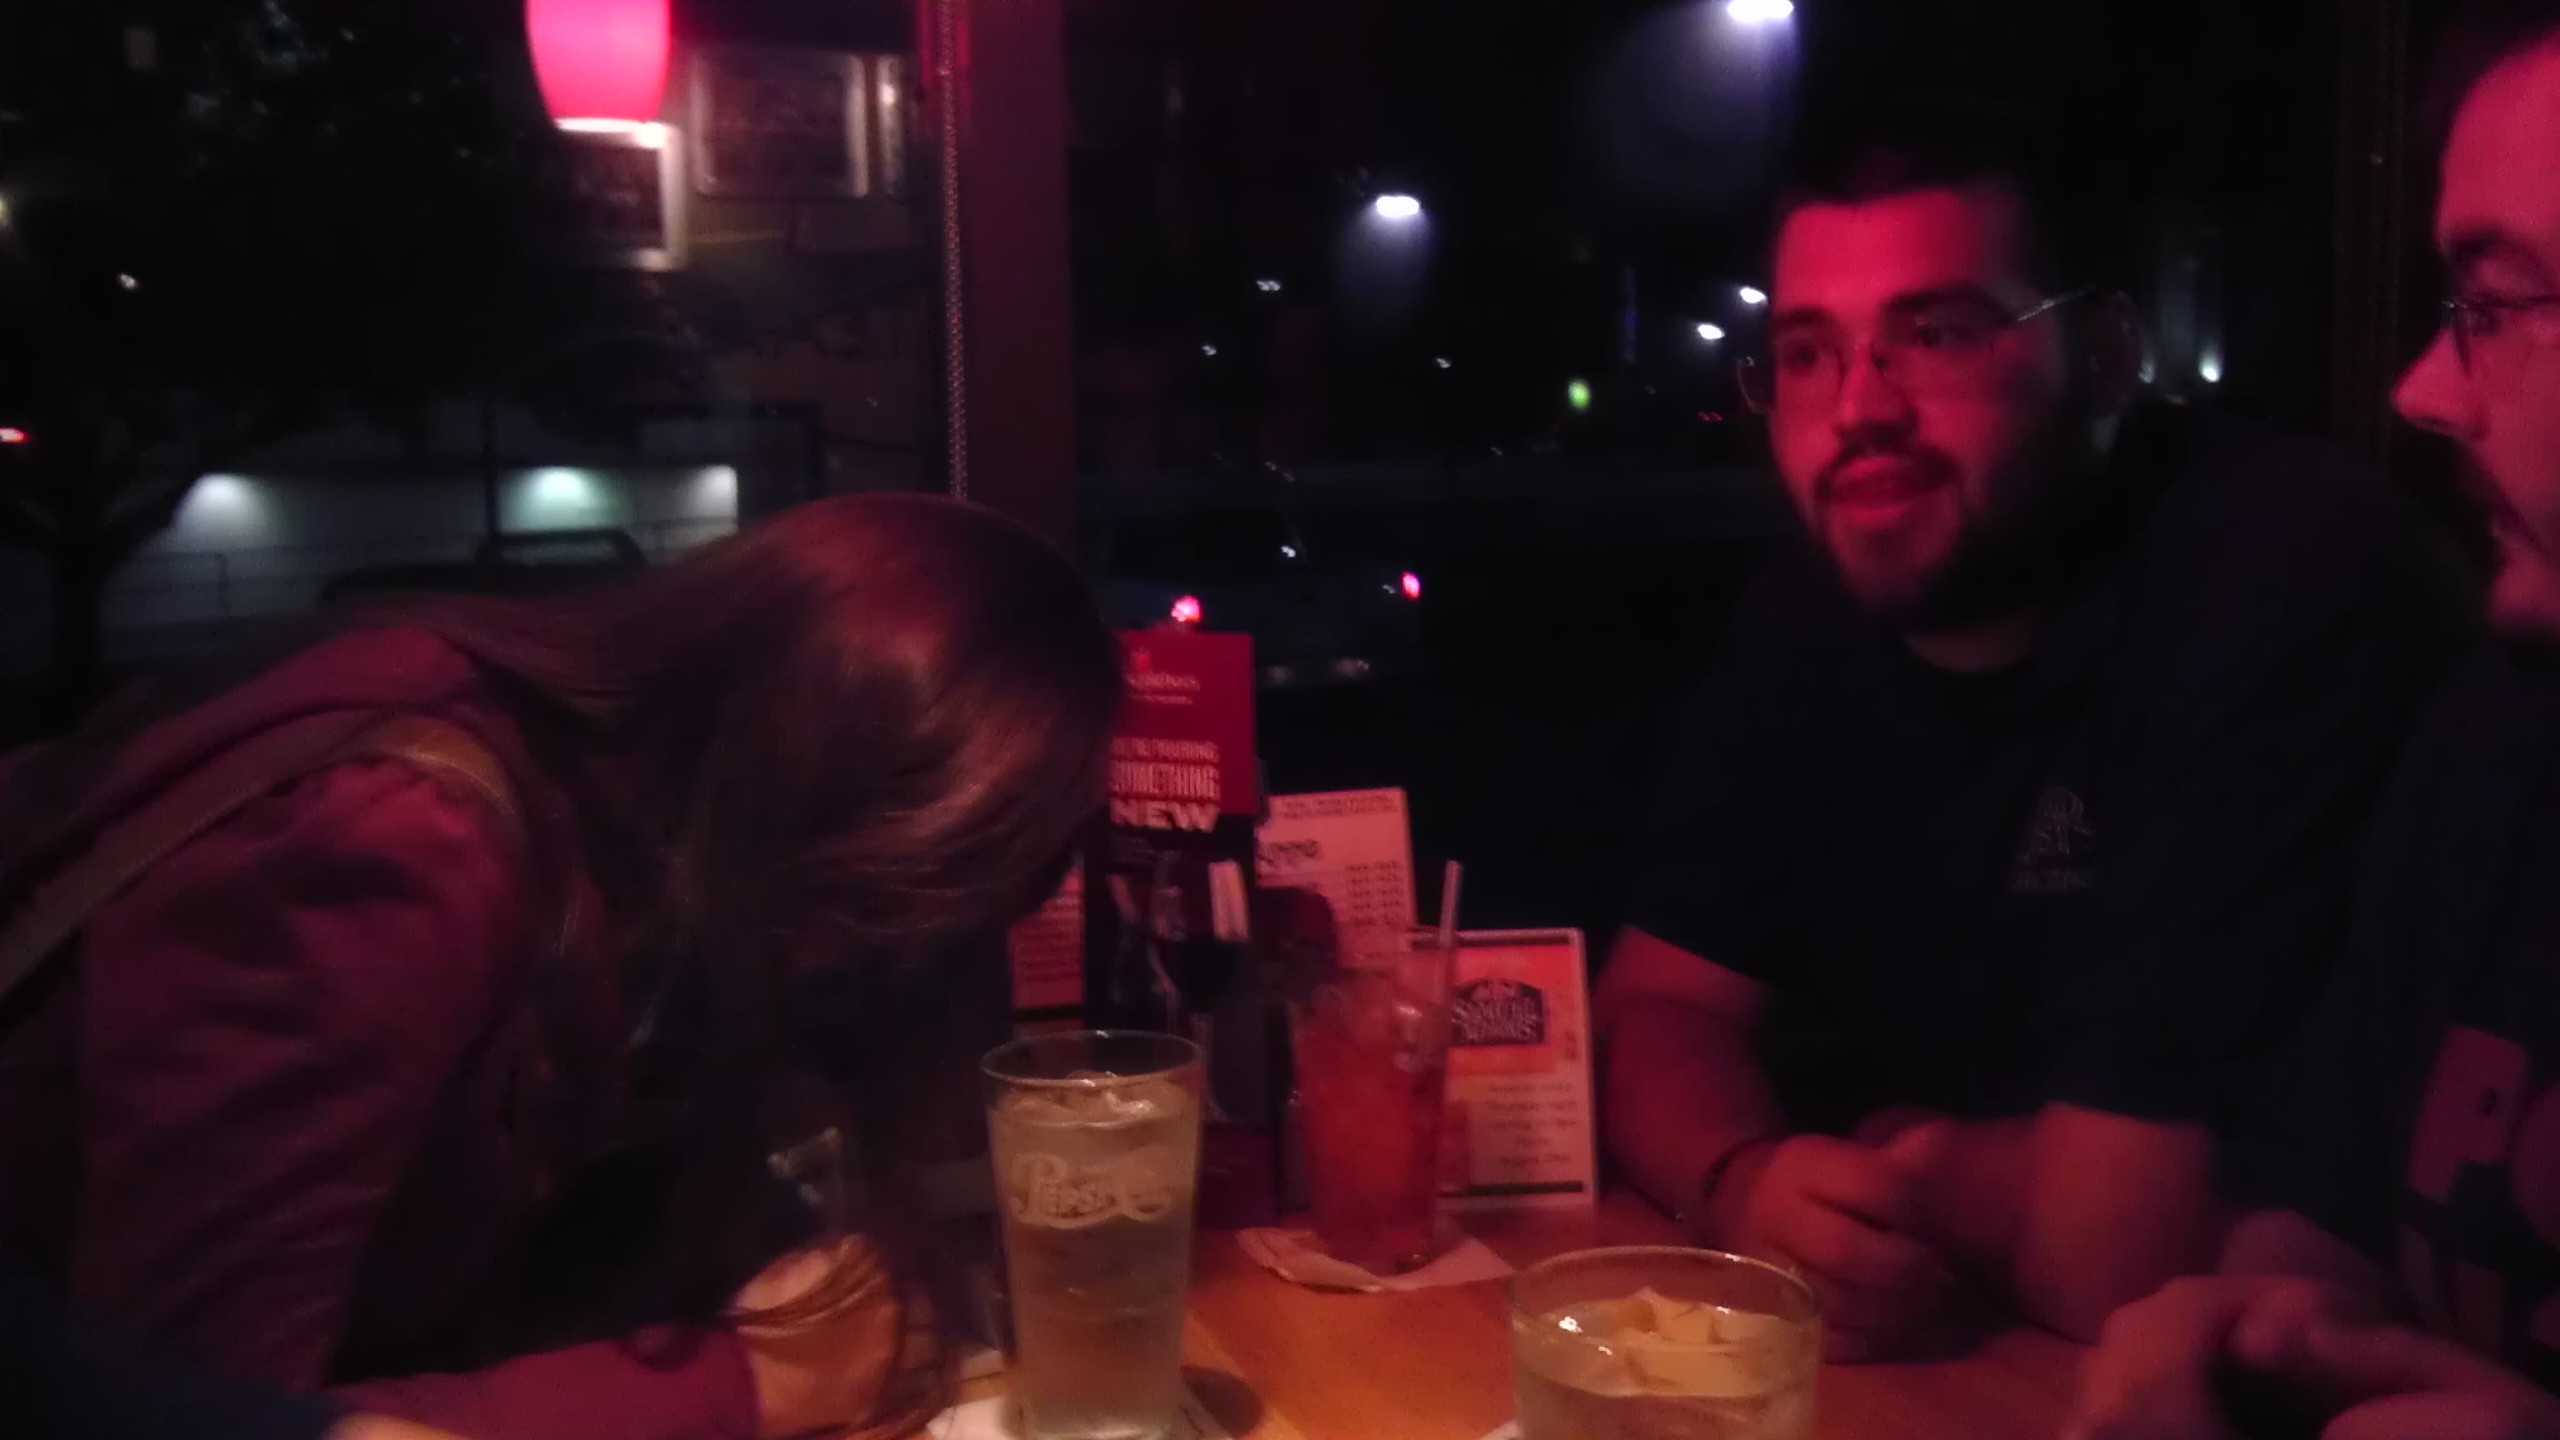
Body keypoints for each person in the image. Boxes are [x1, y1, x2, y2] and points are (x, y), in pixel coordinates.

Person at [1597, 95, 2474, 1359]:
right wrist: (1741, 1182)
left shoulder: (2281, 572)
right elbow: (1647, 1014)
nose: (1859, 410)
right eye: (1806, 354)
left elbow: (2114, 1254)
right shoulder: (1818, 603)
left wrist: (1907, 1163)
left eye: (1935, 335)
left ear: (2106, 355)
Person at [0, 493, 1122, 1440]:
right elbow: (195, 1410)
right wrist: (745, 1384)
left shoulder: (641, 859)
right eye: (894, 899)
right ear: (831, 782)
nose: (868, 956)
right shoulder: (396, 839)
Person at [2068, 4, 2560, 1435]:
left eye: (2496, 303)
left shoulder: (2286, 568)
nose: (2420, 389)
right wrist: (2251, 1332)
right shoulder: (2500, 736)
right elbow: (2321, 1214)